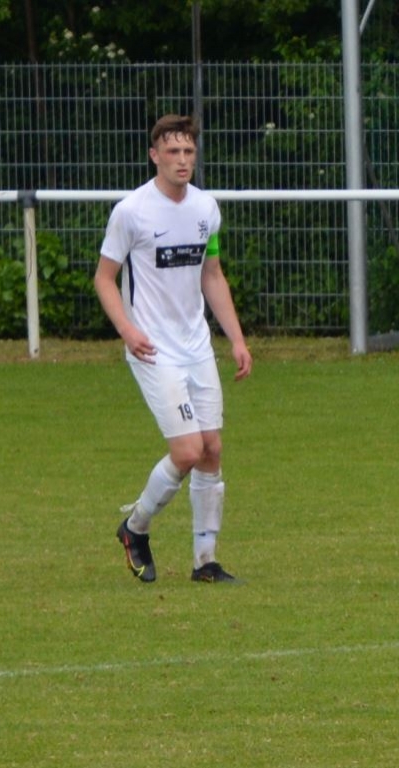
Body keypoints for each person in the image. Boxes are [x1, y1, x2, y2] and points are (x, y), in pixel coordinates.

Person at [94, 113, 252, 585]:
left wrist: (236, 338)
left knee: (211, 449)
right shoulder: (132, 211)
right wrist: (127, 330)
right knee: (186, 450)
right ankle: (135, 528)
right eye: (173, 151)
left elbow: (212, 274)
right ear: (154, 155)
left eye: (188, 151)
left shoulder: (206, 208)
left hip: (196, 346)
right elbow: (104, 278)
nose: (182, 160)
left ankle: (205, 562)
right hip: (153, 349)